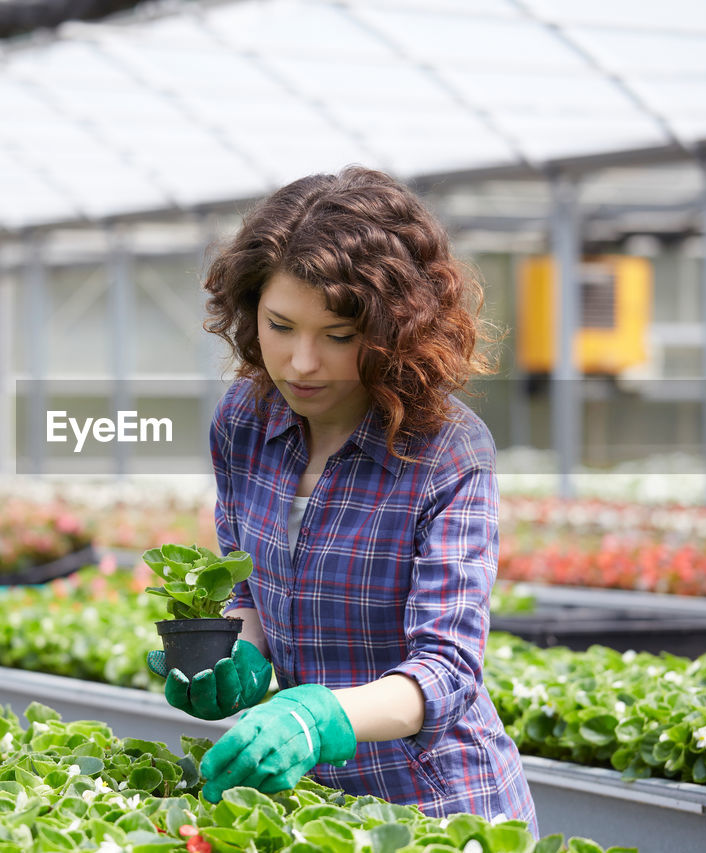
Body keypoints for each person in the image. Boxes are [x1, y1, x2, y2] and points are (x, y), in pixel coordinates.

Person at [146, 165, 537, 831]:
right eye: (280, 326)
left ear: (393, 330)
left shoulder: (446, 452)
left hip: (438, 811)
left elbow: (446, 670)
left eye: (337, 335)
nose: (301, 362)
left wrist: (316, 714)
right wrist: (236, 656)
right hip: (310, 810)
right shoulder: (243, 422)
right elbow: (254, 591)